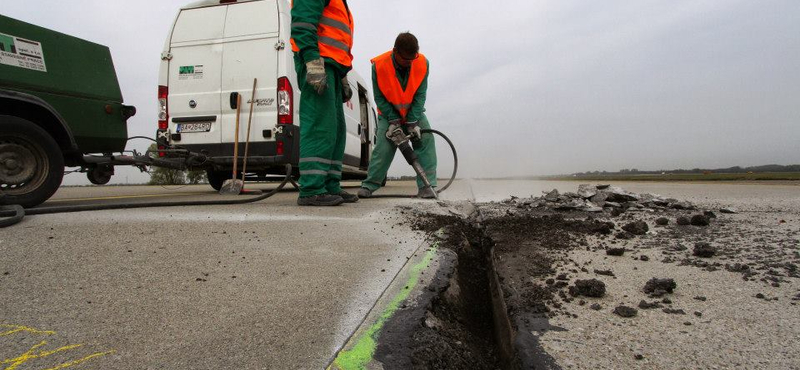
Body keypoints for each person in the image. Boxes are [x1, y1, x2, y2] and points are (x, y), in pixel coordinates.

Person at [290, 0, 358, 206]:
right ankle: (311, 189)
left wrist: (344, 76)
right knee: (320, 126)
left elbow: (336, 39)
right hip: (319, 62)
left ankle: (330, 185)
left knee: (335, 128)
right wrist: (311, 61)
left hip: (333, 67)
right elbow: (302, 24)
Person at [358, 32, 437, 199]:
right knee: (384, 148)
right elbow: (379, 97)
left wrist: (413, 121)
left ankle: (428, 186)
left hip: (413, 113)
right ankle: (370, 185)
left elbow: (420, 94)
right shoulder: (379, 66)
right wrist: (393, 120)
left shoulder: (422, 63)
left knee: (426, 139)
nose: (409, 63)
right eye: (405, 60)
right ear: (395, 51)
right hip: (389, 115)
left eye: (412, 59)